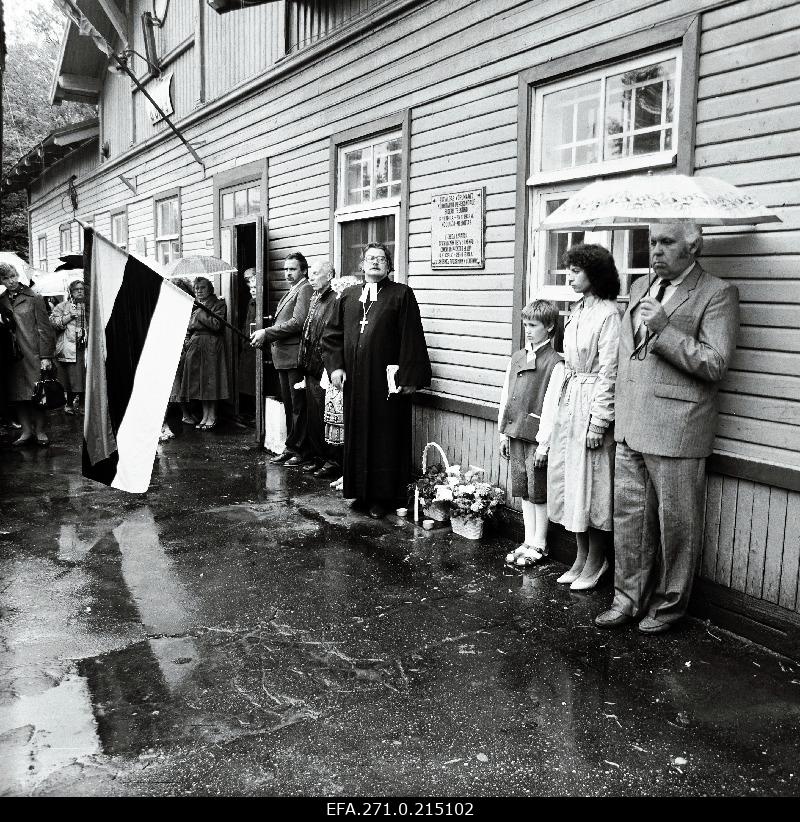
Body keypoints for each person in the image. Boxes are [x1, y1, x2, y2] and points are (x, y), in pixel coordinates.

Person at [596, 222, 739, 634]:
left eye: (665, 243)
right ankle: (627, 599)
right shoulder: (642, 285)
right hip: (630, 423)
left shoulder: (717, 293)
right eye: (651, 242)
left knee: (676, 525)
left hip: (678, 428)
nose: (655, 251)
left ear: (693, 247)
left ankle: (669, 606)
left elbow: (714, 363)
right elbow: (627, 352)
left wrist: (665, 328)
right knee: (629, 521)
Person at [321, 243, 432, 520]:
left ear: (389, 265)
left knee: (385, 438)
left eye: (381, 259)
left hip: (387, 384)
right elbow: (331, 335)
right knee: (358, 434)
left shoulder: (401, 294)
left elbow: (411, 337)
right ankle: (360, 491)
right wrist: (335, 368)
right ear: (361, 265)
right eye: (370, 258)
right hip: (356, 384)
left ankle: (384, 497)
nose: (375, 263)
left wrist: (409, 378)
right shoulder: (347, 296)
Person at [548, 244, 621, 591]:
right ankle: (579, 557)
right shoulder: (578, 310)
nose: (570, 276)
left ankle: (597, 560)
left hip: (592, 403)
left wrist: (598, 421)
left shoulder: (609, 314)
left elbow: (610, 371)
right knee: (572, 483)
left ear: (596, 274)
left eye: (576, 270)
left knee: (592, 485)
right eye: (569, 270)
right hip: (571, 398)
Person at [499, 299, 564, 567]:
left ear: (549, 327)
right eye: (525, 324)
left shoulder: (555, 363)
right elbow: (506, 394)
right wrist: (503, 433)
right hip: (515, 432)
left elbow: (552, 407)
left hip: (536, 438)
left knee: (538, 491)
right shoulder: (517, 357)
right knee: (524, 489)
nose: (528, 330)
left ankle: (540, 543)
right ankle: (527, 540)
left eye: (533, 325)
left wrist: (544, 445)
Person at [250, 252, 313, 467]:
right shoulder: (293, 290)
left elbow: (298, 322)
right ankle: (291, 446)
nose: (288, 273)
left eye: (292, 269)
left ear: (304, 270)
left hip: (295, 358)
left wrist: (267, 332)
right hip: (283, 357)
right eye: (286, 269)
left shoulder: (305, 289)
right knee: (289, 405)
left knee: (298, 406)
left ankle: (301, 450)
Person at [0, 261, 56, 446]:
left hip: (33, 354)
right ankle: (26, 431)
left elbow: (45, 329)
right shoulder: (1, 301)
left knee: (38, 394)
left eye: (13, 276)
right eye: (6, 278)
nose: (11, 281)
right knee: (18, 396)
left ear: (18, 275)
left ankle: (40, 431)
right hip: (13, 357)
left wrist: (46, 356)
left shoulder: (34, 297)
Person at [298, 261, 342, 478]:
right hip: (311, 368)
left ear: (330, 275)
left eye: (316, 273)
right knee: (314, 417)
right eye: (311, 274)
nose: (311, 277)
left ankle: (331, 461)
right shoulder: (316, 298)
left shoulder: (335, 300)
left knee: (328, 418)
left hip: (324, 370)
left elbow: (329, 338)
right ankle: (318, 458)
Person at [177, 276, 229, 430]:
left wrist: (200, 313)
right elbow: (188, 327)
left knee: (210, 383)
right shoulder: (195, 305)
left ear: (210, 289)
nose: (199, 291)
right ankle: (205, 415)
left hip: (212, 346)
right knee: (200, 384)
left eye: (202, 288)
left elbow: (217, 325)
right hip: (195, 346)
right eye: (196, 288)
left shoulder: (218, 304)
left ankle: (212, 416)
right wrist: (187, 342)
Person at [49, 279, 87, 415]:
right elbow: (53, 323)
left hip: (86, 348)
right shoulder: (62, 306)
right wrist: (69, 316)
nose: (79, 291)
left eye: (82, 288)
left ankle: (83, 404)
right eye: (76, 289)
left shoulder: (89, 306)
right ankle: (69, 404)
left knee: (85, 377)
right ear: (71, 292)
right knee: (70, 379)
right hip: (69, 348)